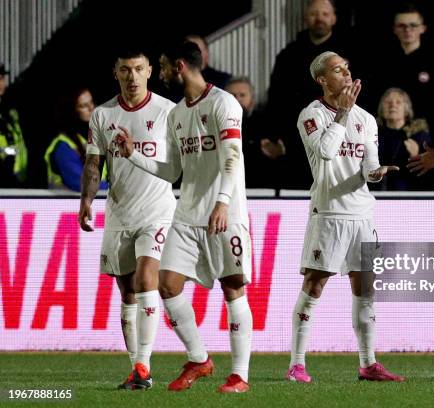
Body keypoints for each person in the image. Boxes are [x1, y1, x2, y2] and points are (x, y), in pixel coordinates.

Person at [115, 41, 253, 394]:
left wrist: (222, 202)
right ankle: (199, 358)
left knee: (233, 287)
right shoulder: (176, 115)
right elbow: (174, 168)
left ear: (179, 66)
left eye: (161, 67)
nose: (158, 74)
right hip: (189, 214)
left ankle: (239, 375)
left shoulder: (224, 103)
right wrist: (133, 156)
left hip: (226, 212)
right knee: (167, 285)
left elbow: (232, 156)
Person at [285, 51, 404, 384]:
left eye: (348, 68)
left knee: (365, 288)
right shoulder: (311, 115)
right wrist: (343, 114)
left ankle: (368, 363)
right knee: (314, 284)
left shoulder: (366, 118)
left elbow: (368, 168)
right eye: (338, 70)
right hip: (329, 214)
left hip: (362, 214)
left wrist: (378, 173)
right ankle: (296, 364)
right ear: (322, 79)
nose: (347, 74)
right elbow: (324, 152)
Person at [79, 48, 176, 390]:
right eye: (125, 70)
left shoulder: (168, 112)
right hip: (119, 213)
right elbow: (94, 164)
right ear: (115, 72)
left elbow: (184, 163)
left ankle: (144, 365)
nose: (132, 77)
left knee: (146, 279)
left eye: (138, 69)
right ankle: (137, 370)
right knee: (127, 291)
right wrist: (87, 199)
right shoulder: (103, 115)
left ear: (149, 70)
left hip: (158, 213)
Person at [266, 0, 352, 189]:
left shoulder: (348, 52)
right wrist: (275, 136)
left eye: (325, 14)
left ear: (334, 18)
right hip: (295, 141)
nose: (319, 18)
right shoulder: (288, 55)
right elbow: (276, 99)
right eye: (314, 14)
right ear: (305, 18)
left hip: (338, 135)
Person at [226, 76, 286, 189]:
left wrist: (277, 151)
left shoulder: (267, 123)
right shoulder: (215, 125)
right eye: (233, 96)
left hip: (259, 187)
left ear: (252, 100)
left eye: (242, 95)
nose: (237, 99)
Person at [46, 87, 108, 191]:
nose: (91, 108)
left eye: (91, 102)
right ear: (72, 111)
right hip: (66, 205)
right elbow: (81, 183)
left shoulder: (91, 140)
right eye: (83, 106)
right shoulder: (63, 146)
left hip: (97, 204)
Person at [375, 87, 431, 191]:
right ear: (381, 109)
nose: (393, 105)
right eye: (388, 102)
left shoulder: (419, 136)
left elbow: (430, 174)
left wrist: (417, 156)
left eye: (398, 102)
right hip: (377, 193)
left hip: (408, 196)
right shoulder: (372, 135)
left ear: (406, 109)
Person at [0, 62, 28, 187]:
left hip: (16, 179)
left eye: (2, 79)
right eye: (0, 79)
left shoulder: (10, 112)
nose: (3, 84)